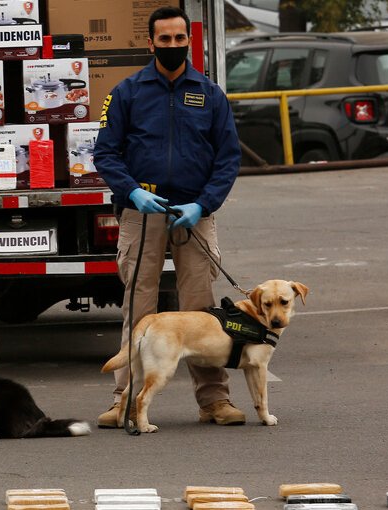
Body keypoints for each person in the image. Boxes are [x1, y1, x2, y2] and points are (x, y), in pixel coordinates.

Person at [93, 6, 244, 427]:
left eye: (180, 39)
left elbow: (228, 158)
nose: (173, 46)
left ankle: (214, 400)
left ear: (188, 42)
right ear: (151, 42)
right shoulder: (128, 92)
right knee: (138, 308)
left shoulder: (209, 93)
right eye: (165, 40)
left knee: (201, 312)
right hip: (145, 212)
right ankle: (124, 399)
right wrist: (132, 191)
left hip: (194, 212)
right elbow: (105, 152)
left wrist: (205, 203)